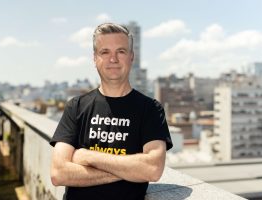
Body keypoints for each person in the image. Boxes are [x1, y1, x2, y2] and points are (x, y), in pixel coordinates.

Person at [50, 22, 173, 200]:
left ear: (131, 57)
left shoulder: (150, 109)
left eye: (121, 52)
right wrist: (129, 172)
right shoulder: (76, 106)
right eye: (105, 52)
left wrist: (88, 157)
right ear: (95, 58)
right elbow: (58, 173)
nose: (113, 59)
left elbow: (153, 169)